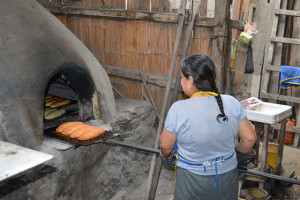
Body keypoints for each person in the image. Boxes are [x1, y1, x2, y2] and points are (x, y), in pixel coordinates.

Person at [159, 54, 257, 200]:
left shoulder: (178, 109)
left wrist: (169, 159)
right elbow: (249, 139)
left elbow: (165, 146)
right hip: (227, 178)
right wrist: (234, 156)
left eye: (181, 77)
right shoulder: (231, 102)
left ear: (190, 80)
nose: (180, 82)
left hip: (191, 182)